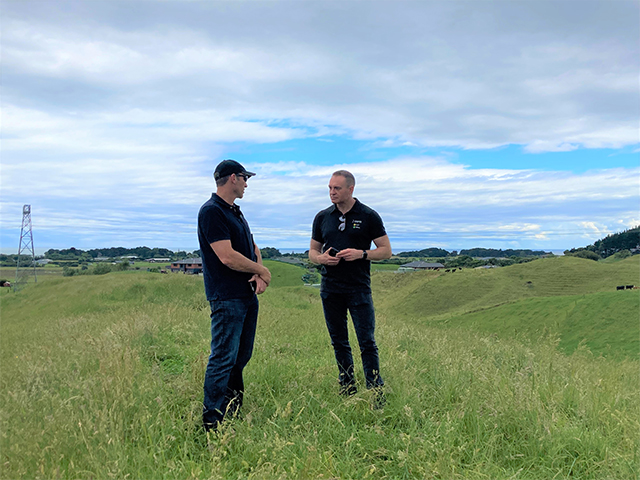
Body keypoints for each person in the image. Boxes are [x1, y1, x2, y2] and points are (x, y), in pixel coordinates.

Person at [197, 159, 271, 431]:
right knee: (223, 357)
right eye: (244, 177)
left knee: (241, 356)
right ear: (231, 178)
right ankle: (212, 422)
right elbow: (227, 257)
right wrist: (263, 270)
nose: (246, 183)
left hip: (246, 294)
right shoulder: (212, 212)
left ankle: (232, 409)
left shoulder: (235, 212)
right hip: (227, 296)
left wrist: (259, 272)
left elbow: (251, 245)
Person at [309, 170, 392, 406]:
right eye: (329, 188)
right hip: (330, 288)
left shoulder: (368, 216)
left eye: (337, 188)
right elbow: (312, 252)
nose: (332, 193)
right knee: (339, 341)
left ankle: (376, 392)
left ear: (351, 189)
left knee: (366, 341)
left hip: (358, 288)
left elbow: (386, 251)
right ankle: (347, 387)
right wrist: (322, 259)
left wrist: (362, 254)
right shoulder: (322, 217)